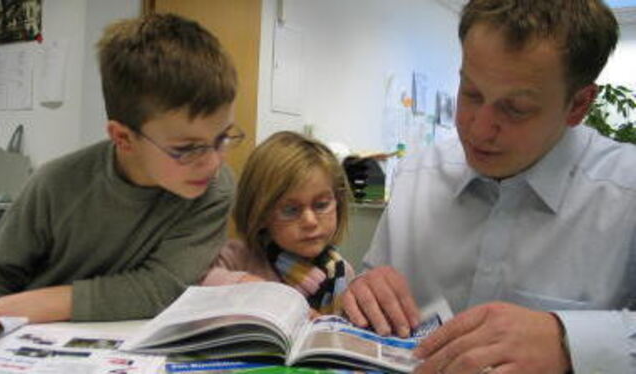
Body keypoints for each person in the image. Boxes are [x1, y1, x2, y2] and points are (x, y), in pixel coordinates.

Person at [341, 1, 636, 373]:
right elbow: (373, 290)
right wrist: (365, 290)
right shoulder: (417, 176)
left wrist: (569, 341)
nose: (478, 129)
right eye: (471, 93)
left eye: (516, 108)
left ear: (578, 105)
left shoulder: (627, 195)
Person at [0, 14, 241, 323]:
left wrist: (58, 301)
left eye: (222, 138)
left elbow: (164, 287)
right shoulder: (54, 185)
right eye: (187, 149)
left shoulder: (213, 188)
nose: (214, 162)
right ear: (123, 137)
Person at [201, 131, 355, 315]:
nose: (310, 222)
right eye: (290, 210)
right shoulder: (236, 258)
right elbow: (195, 284)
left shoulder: (342, 271)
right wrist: (266, 295)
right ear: (260, 213)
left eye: (321, 205)